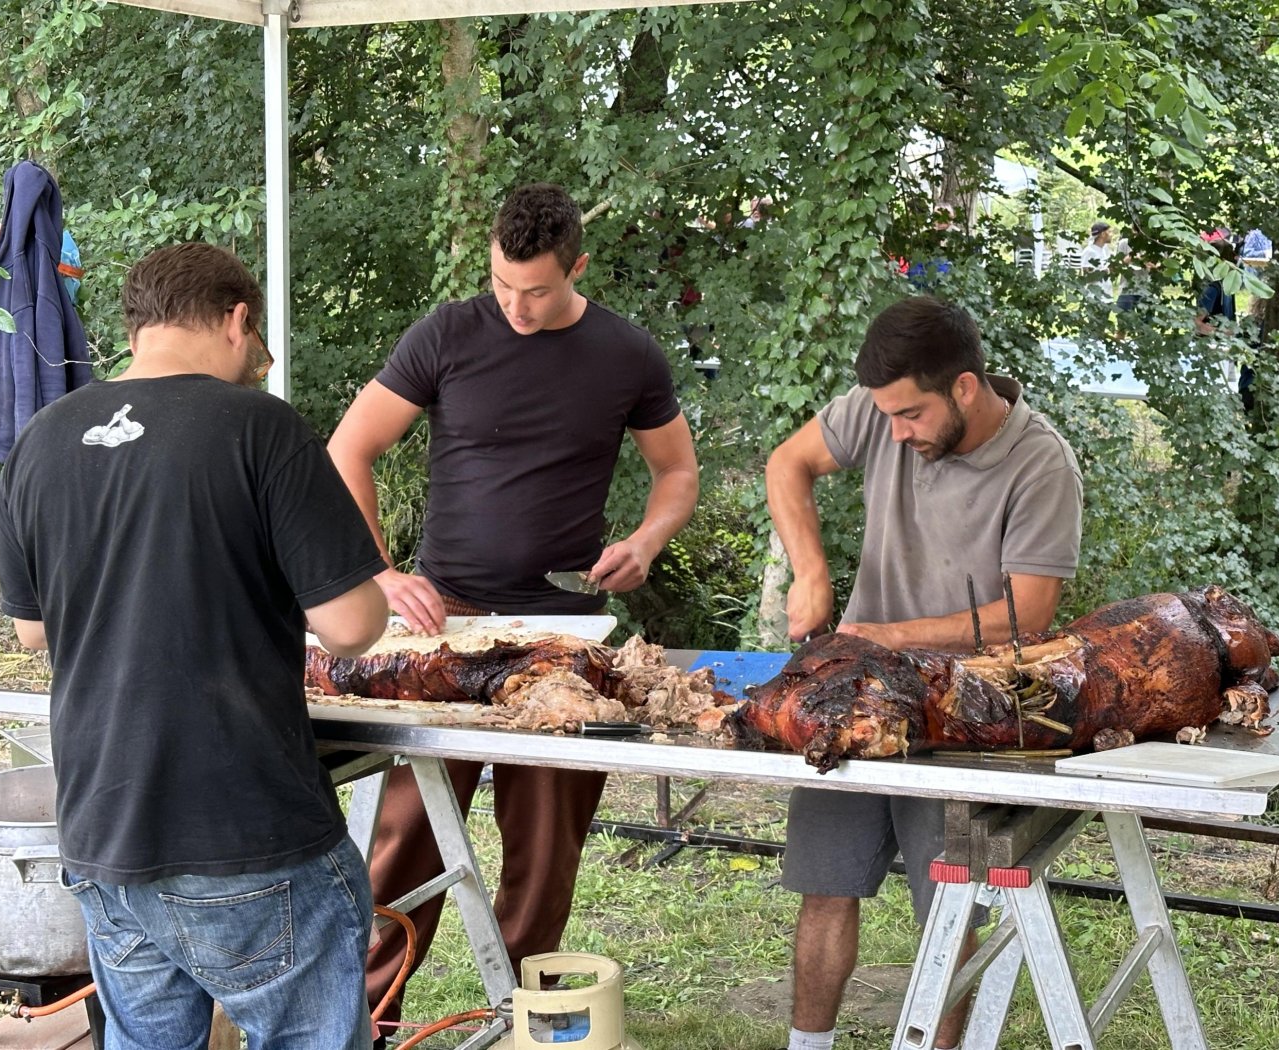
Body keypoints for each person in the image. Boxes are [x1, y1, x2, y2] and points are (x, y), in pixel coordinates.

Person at [0, 242, 389, 1050]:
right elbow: (350, 627)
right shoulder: (261, 427)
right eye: (259, 346)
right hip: (243, 830)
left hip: (104, 834)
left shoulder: (41, 438)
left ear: (137, 325)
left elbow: (33, 630)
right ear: (238, 319)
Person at [327, 182, 699, 1040]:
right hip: (445, 621)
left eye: (535, 289)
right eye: (502, 284)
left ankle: (525, 1017)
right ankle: (367, 1020)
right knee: (404, 835)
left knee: (545, 847)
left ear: (578, 266)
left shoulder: (627, 354)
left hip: (563, 631)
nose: (516, 306)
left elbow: (676, 473)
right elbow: (351, 445)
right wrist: (379, 574)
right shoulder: (449, 334)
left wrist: (644, 542)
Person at [765, 295, 1082, 1050]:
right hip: (857, 697)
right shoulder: (885, 406)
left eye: (909, 416)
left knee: (949, 907)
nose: (894, 431)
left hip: (966, 712)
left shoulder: (1041, 463)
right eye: (887, 415)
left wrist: (884, 634)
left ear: (964, 389)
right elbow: (789, 461)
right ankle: (807, 1047)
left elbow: (1028, 615)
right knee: (825, 884)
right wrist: (809, 572)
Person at [1080, 220, 1115, 300]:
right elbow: (1087, 277)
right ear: (1103, 234)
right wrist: (1105, 271)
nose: (1111, 235)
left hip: (1107, 296)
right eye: (1109, 232)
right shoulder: (1089, 251)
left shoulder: (1105, 250)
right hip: (1095, 298)